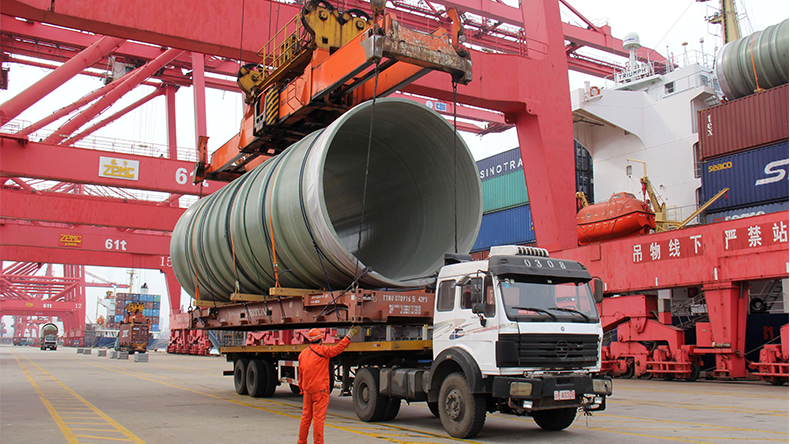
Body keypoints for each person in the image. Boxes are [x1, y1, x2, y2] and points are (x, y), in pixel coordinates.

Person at [297, 325, 361, 444]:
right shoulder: (323, 351)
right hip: (320, 391)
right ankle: (318, 442)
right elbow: (338, 348)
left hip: (307, 391)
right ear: (320, 339)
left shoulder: (302, 354)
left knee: (305, 417)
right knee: (318, 419)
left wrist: (302, 388)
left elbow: (300, 374)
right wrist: (349, 335)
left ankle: (301, 441)